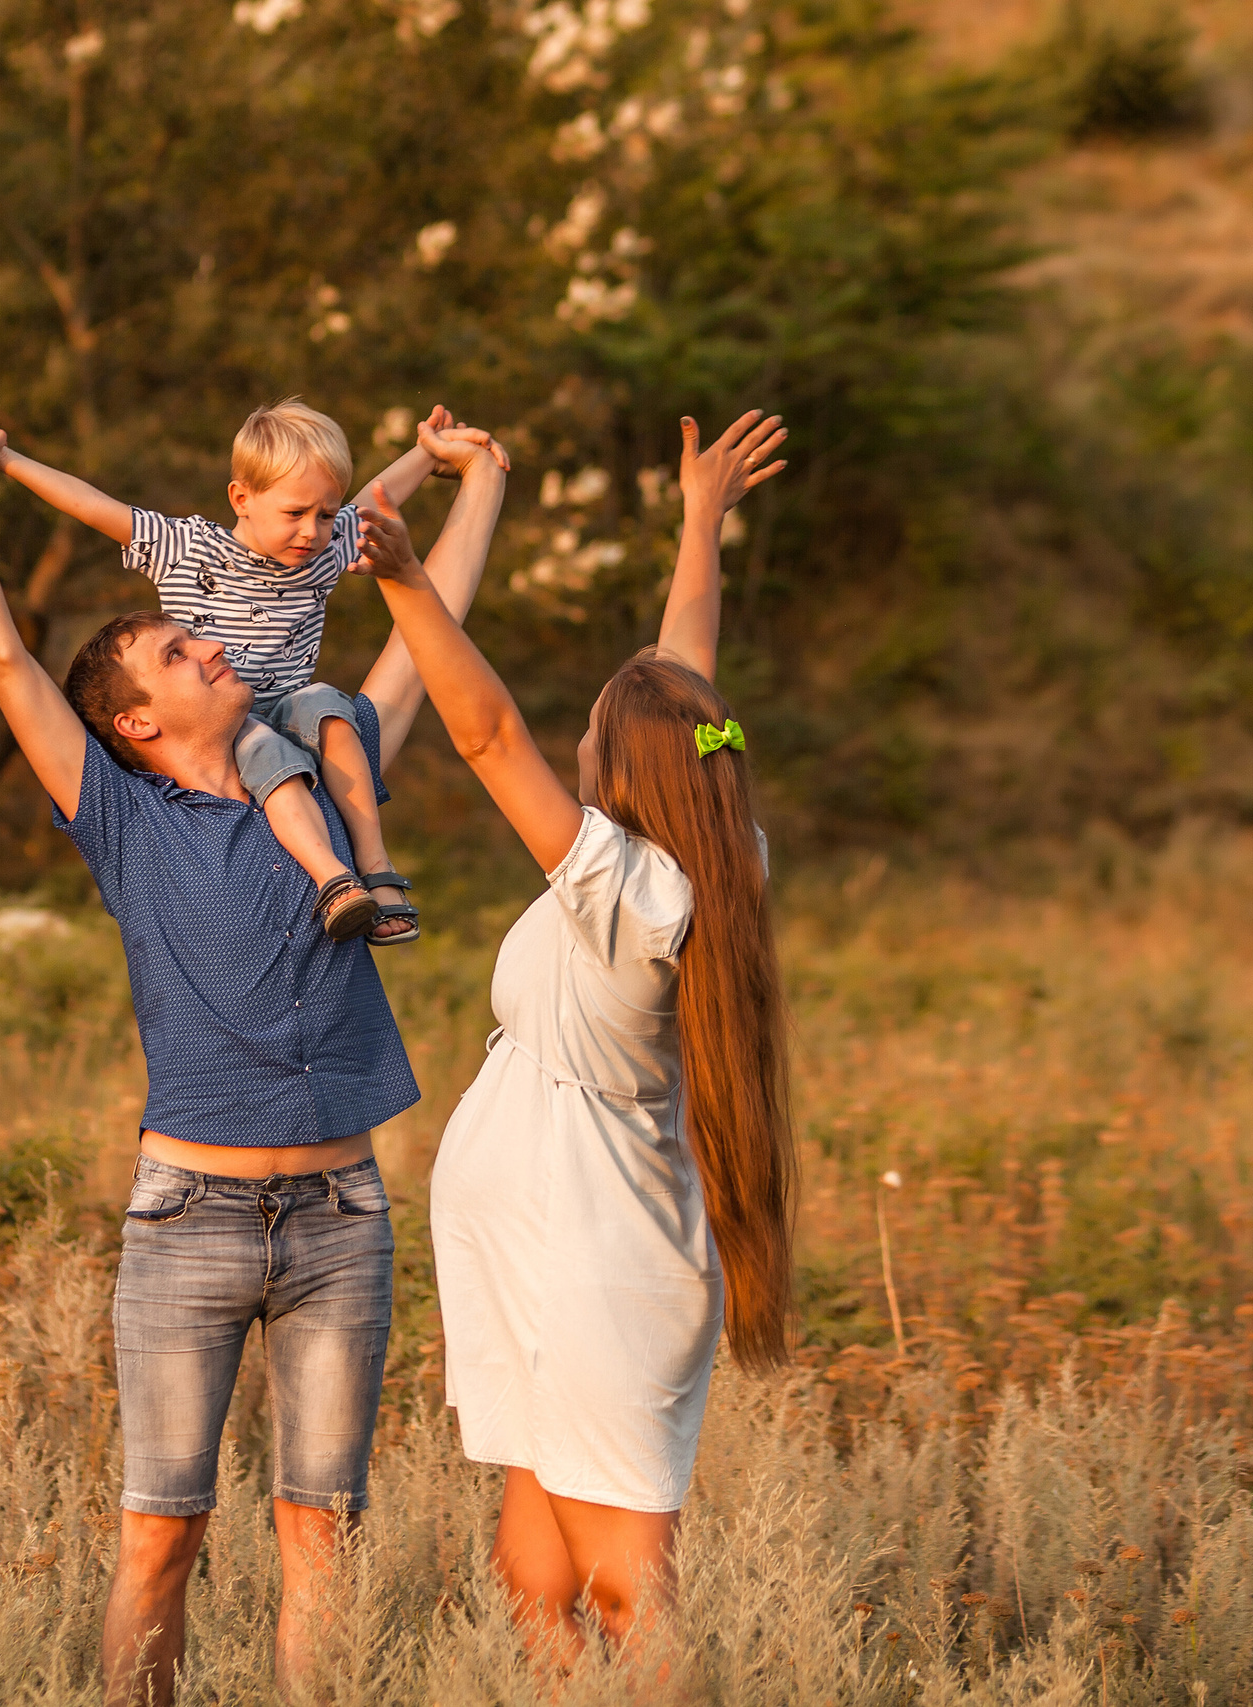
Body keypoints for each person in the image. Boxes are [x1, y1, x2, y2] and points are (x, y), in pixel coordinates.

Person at [0, 408, 509, 1706]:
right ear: (133, 720)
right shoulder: (121, 815)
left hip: (343, 1216)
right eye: (181, 651)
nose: (214, 643)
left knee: (321, 1534)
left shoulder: (329, 773)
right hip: (189, 1217)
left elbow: (431, 629)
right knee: (160, 1535)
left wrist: (475, 489)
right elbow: (0, 652)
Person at [355, 408, 796, 1666]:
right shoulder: (713, 854)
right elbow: (682, 687)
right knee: (533, 1581)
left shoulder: (630, 890)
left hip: (588, 1270)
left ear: (627, 771)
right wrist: (699, 522)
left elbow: (487, 733)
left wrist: (408, 582)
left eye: (597, 732)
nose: (582, 742)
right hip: (555, 1262)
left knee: (626, 1596)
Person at [0, 399, 509, 946]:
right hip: (226, 721)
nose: (312, 531)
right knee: (267, 750)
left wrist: (428, 452)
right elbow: (92, 506)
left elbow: (378, 497)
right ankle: (333, 880)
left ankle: (375, 864)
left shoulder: (322, 549)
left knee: (330, 704)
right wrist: (8, 459)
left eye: (326, 515)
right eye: (295, 513)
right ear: (241, 498)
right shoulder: (187, 548)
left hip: (293, 710)